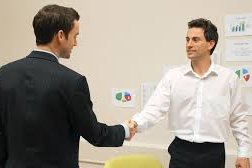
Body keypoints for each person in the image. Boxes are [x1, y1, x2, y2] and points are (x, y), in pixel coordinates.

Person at [0, 4, 135, 168]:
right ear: (61, 35)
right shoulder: (72, 82)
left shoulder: (4, 74)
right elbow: (94, 134)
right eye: (75, 36)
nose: (75, 43)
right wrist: (125, 130)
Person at [129, 18, 250, 168]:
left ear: (210, 44)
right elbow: (155, 109)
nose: (189, 44)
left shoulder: (228, 78)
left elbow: (238, 118)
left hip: (213, 153)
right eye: (187, 39)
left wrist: (243, 153)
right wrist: (134, 124)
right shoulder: (173, 76)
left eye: (195, 40)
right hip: (181, 151)